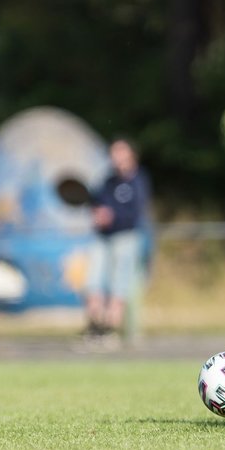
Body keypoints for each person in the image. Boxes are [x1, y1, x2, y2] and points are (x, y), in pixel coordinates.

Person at [81, 137, 151, 347]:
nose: (116, 157)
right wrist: (97, 213)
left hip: (126, 238)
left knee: (118, 286)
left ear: (131, 155)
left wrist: (112, 216)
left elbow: (135, 213)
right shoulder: (107, 181)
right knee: (92, 282)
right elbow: (97, 202)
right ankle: (95, 328)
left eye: (120, 152)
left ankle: (110, 331)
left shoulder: (138, 180)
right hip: (103, 238)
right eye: (113, 153)